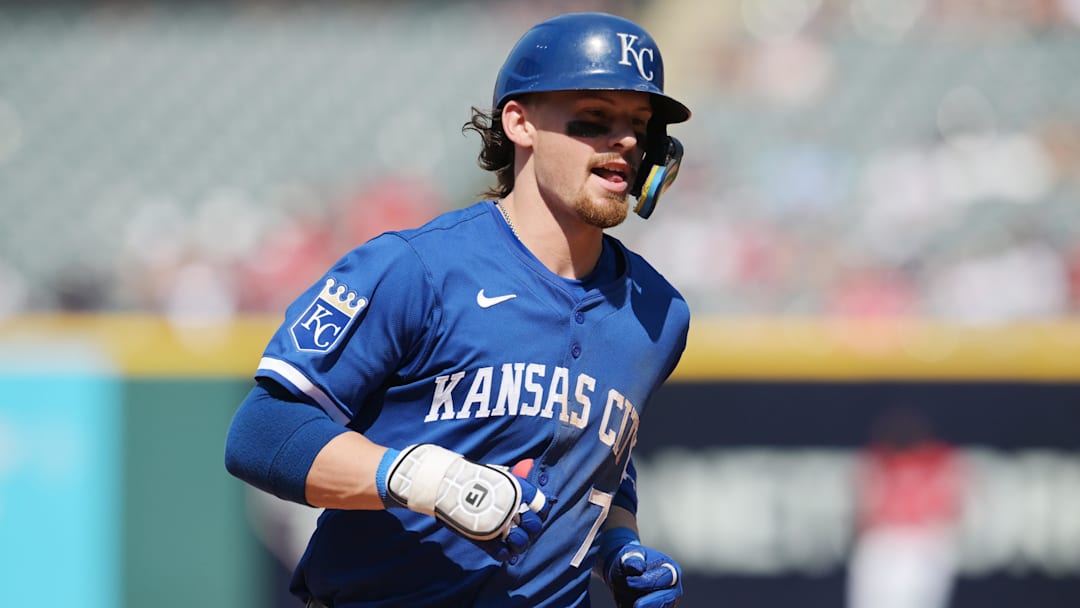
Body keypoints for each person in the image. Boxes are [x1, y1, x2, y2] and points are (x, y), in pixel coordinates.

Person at [225, 11, 691, 607]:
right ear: (519, 123)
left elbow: (597, 456)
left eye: (640, 126)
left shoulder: (657, 312)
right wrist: (432, 480)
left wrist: (618, 547)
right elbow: (263, 433)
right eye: (594, 119)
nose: (623, 141)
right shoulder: (415, 268)